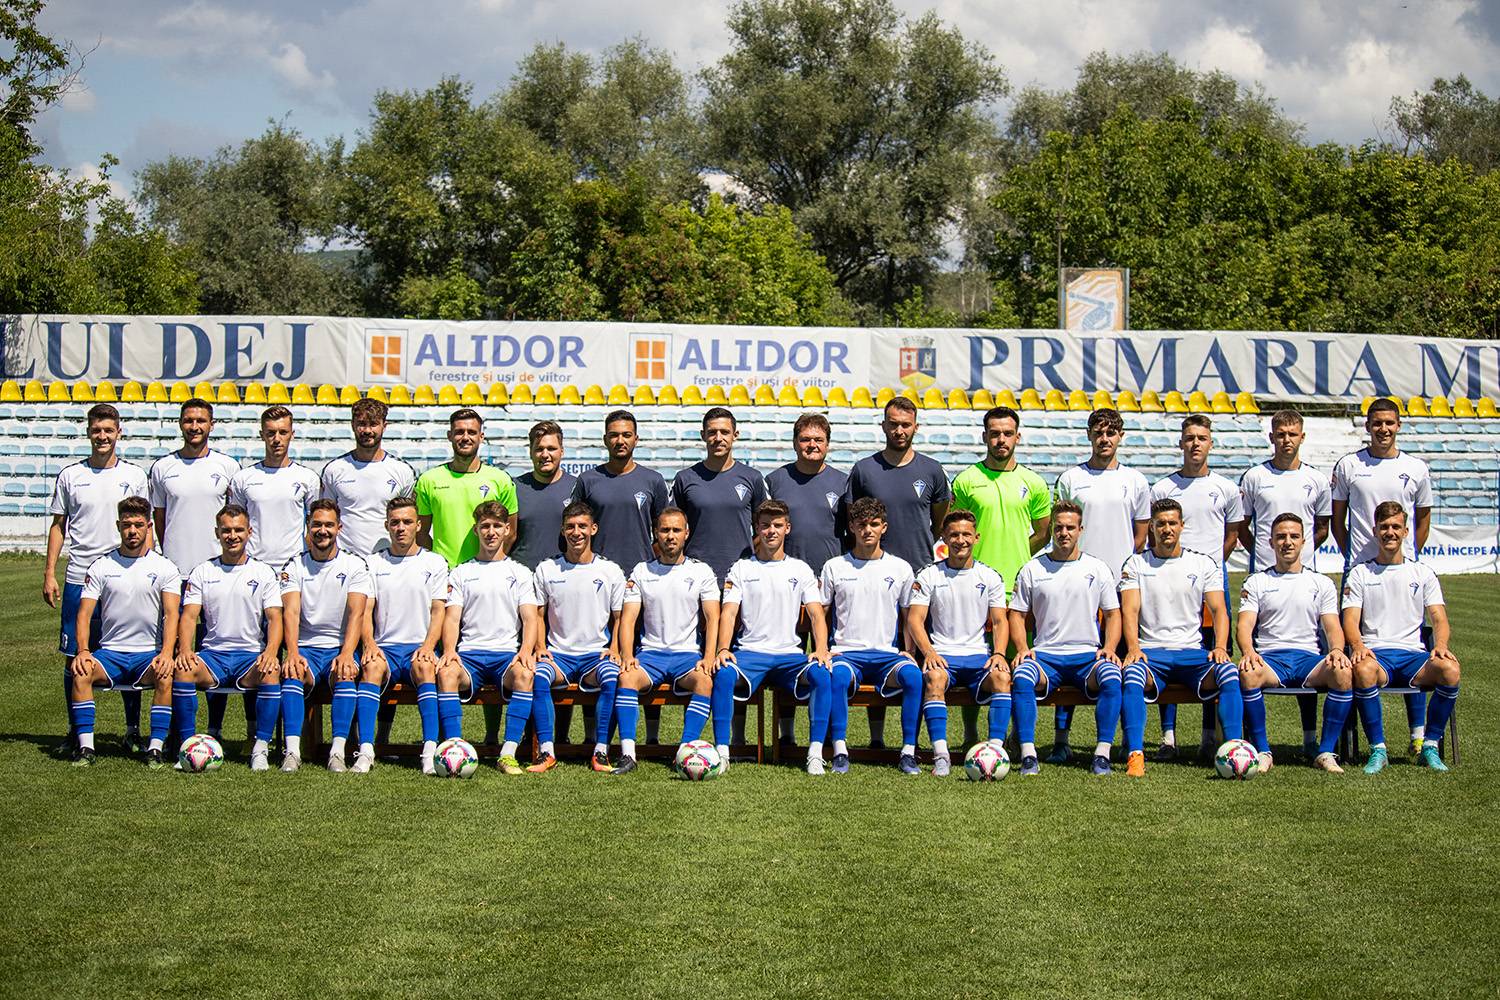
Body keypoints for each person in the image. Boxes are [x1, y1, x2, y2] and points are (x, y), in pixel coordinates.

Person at [1331, 397, 1434, 754]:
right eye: (1377, 423)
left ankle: (1418, 735)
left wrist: (1405, 555)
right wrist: (1354, 557)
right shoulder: (1349, 466)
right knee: (1355, 651)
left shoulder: (1416, 468)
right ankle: (1354, 739)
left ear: (1399, 425)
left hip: (1403, 572)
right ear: (1367, 426)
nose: (1383, 429)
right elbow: (1338, 521)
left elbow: (1422, 520)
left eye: (1390, 423)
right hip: (1360, 571)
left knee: (1411, 643)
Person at [845, 396, 950, 747]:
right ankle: (876, 739)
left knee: (916, 660)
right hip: (872, 574)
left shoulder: (932, 470)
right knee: (878, 651)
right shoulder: (864, 469)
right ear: (883, 426)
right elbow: (853, 518)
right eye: (893, 424)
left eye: (906, 424)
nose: (899, 430)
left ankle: (913, 741)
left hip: (919, 574)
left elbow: (938, 521)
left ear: (916, 427)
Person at [46, 402, 150, 751]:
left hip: (123, 577)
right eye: (96, 430)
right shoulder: (70, 476)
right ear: (88, 432)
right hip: (80, 577)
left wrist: (147, 568)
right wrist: (49, 572)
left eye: (108, 430)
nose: (102, 436)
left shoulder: (134, 475)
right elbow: (58, 526)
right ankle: (75, 731)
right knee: (75, 654)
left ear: (119, 433)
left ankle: (132, 730)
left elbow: (145, 526)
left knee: (131, 649)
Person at [1118, 498, 1243, 774]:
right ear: (1151, 527)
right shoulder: (1136, 563)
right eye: (1161, 524)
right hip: (1152, 654)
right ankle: (1135, 754)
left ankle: (1235, 751)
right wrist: (1134, 648)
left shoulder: (1202, 563)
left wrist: (1221, 646)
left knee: (1228, 672)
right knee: (1132, 675)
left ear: (1182, 525)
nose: (1167, 529)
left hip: (1192, 653)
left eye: (1172, 523)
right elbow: (1130, 610)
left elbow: (1219, 610)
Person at [1149, 414, 1244, 760]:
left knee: (1214, 654)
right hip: (1170, 582)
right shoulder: (1163, 488)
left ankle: (1209, 737)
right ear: (1180, 443)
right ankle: (1168, 737)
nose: (1195, 444)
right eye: (1189, 438)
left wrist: (1208, 568)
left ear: (1211, 443)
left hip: (1210, 582)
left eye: (1201, 438)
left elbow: (1232, 535)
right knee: (1167, 649)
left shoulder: (1226, 488)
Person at [1237, 408, 1332, 756]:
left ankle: (1310, 738)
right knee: (1261, 652)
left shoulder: (1316, 479)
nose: (1286, 440)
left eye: (1293, 434)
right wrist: (1266, 554)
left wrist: (1298, 555)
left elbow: (1322, 527)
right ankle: (1257, 743)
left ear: (1302, 437)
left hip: (1304, 579)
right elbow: (1242, 526)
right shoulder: (1255, 477)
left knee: (1309, 649)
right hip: (1265, 579)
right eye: (1281, 434)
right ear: (1272, 437)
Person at [570, 409, 669, 742]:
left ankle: (651, 737)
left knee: (644, 659)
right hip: (598, 584)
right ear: (605, 440)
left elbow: (662, 531)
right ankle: (592, 737)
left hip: (641, 582)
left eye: (626, 434)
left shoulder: (653, 481)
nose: (620, 440)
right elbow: (576, 524)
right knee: (600, 659)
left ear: (636, 439)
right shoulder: (588, 481)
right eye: (614, 435)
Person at [1342, 501, 1460, 775]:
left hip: (1413, 657)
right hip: (1377, 656)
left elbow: (1439, 619)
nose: (1390, 532)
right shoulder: (1360, 573)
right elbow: (1349, 620)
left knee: (1450, 670)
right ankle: (1378, 750)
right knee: (1363, 670)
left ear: (1406, 532)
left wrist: (1441, 646)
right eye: (1384, 527)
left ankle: (1429, 746)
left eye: (1396, 527)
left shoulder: (1422, 573)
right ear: (1374, 531)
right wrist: (1357, 645)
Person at [713, 500, 831, 775]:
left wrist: (822, 649)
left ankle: (815, 754)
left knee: (822, 673)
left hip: (789, 656)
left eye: (777, 525)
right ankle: (722, 753)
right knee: (724, 673)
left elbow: (816, 614)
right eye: (765, 525)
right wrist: (722, 649)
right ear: (757, 528)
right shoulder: (742, 568)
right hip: (750, 654)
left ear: (787, 528)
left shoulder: (800, 569)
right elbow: (729, 613)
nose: (771, 531)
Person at [149, 397, 242, 742]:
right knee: (177, 652)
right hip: (176, 574)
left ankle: (214, 727)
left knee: (216, 650)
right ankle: (176, 731)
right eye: (189, 420)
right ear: (180, 424)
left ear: (211, 425)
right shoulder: (163, 468)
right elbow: (160, 520)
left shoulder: (228, 466)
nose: (195, 426)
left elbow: (233, 519)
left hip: (216, 573)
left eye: (201, 420)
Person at [1006, 501, 1123, 777]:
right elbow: (1017, 614)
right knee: (1022, 677)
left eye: (1070, 527)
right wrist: (1022, 648)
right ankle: (1028, 755)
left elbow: (1113, 614)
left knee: (1112, 677)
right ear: (1052, 531)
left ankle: (1102, 755)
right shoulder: (1033, 569)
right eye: (1058, 527)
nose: (1064, 533)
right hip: (1045, 656)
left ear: (1081, 529)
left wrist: (1109, 647)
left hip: (1087, 656)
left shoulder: (1097, 568)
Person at [64, 497, 180, 767]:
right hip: (110, 655)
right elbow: (84, 614)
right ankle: (86, 748)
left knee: (166, 673)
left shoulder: (165, 567)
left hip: (147, 655)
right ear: (118, 526)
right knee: (80, 670)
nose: (132, 531)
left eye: (138, 525)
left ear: (149, 526)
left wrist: (166, 653)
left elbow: (172, 614)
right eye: (127, 525)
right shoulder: (101, 566)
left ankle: (155, 748)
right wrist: (83, 651)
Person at [170, 504, 284, 770]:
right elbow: (189, 616)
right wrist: (185, 650)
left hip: (250, 657)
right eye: (226, 531)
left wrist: (270, 652)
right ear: (217, 533)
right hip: (213, 657)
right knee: (183, 669)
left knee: (271, 671)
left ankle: (260, 748)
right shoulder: (203, 571)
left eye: (238, 530)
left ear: (249, 532)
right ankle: (187, 748)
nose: (232, 536)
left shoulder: (263, 573)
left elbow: (275, 618)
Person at [1236, 513, 1351, 775]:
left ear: (1303, 541)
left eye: (1294, 536)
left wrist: (1336, 650)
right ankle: (1263, 752)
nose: (1287, 542)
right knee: (1248, 672)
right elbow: (1244, 625)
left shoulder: (1321, 583)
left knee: (1343, 672)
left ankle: (1325, 752)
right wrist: (1248, 651)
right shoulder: (1257, 581)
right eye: (1281, 537)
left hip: (1308, 659)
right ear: (1270, 542)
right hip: (1271, 659)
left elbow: (1333, 626)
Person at [435, 501, 540, 776]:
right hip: (470, 655)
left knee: (526, 674)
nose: (490, 532)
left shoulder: (520, 572)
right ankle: (454, 749)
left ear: (507, 530)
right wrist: (449, 650)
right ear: (476, 530)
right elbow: (452, 618)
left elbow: (530, 619)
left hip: (506, 656)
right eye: (484, 526)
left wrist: (526, 651)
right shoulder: (461, 572)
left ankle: (508, 754)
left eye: (496, 526)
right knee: (446, 673)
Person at [614, 508, 721, 775]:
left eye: (676, 530)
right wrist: (627, 655)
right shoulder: (642, 571)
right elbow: (628, 619)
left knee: (705, 681)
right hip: (650, 655)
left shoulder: (701, 571)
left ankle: (684, 753)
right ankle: (628, 754)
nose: (670, 536)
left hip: (687, 655)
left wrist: (709, 657)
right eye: (664, 530)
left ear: (686, 533)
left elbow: (713, 617)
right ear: (656, 533)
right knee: (626, 677)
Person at [764, 411, 848, 747]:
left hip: (830, 585)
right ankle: (787, 733)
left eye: (818, 440)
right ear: (794, 442)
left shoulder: (843, 482)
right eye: (805, 439)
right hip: (787, 583)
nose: (812, 445)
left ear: (828, 444)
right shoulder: (775, 481)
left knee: (829, 659)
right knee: (792, 656)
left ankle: (829, 735)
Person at [905, 511, 1010, 777]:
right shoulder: (929, 574)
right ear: (943, 538)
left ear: (976, 537)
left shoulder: (990, 576)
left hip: (978, 656)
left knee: (1002, 677)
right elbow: (915, 619)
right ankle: (942, 756)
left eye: (966, 534)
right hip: (943, 655)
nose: (960, 540)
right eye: (954, 535)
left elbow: (1000, 621)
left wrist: (999, 653)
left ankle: (995, 753)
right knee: (934, 678)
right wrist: (929, 652)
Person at [822, 497, 922, 774]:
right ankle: (840, 751)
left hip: (887, 655)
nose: (868, 530)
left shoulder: (900, 568)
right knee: (837, 677)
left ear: (884, 527)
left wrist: (910, 651)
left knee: (914, 677)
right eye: (862, 524)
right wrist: (822, 647)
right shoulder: (835, 566)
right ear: (851, 527)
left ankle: (908, 752)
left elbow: (908, 615)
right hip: (846, 653)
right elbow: (822, 612)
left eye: (874, 524)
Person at [352, 496, 449, 775]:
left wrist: (428, 646)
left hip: (418, 646)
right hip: (385, 648)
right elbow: (366, 611)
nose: (401, 528)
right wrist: (369, 644)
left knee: (425, 666)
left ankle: (429, 752)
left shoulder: (434, 562)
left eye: (407, 522)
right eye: (395, 522)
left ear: (419, 525)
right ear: (386, 526)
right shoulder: (372, 563)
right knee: (371, 666)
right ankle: (366, 750)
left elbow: (438, 611)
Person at [531, 501, 627, 774]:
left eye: (582, 526)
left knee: (612, 677)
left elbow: (619, 618)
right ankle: (547, 752)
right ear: (562, 531)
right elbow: (537, 614)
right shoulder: (547, 569)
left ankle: (601, 751)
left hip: (596, 655)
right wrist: (540, 646)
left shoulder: (610, 571)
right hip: (558, 655)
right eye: (570, 527)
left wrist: (615, 648)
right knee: (538, 677)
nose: (576, 532)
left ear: (593, 529)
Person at [277, 499, 372, 773]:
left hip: (339, 646)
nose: (322, 530)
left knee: (345, 672)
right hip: (305, 647)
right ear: (308, 526)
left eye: (329, 525)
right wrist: (293, 653)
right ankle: (292, 752)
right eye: (316, 524)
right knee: (293, 671)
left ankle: (337, 753)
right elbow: (291, 612)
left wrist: (347, 653)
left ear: (339, 528)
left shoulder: (355, 564)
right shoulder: (294, 565)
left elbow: (357, 613)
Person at [415, 408, 517, 568]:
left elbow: (510, 534)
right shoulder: (428, 480)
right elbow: (420, 533)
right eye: (459, 432)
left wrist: (491, 565)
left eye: (472, 432)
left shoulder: (501, 480)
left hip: (485, 572)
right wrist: (437, 566)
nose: (465, 437)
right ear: (449, 435)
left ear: (481, 437)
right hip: (445, 575)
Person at [320, 397, 418, 557]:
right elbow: (325, 517)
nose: (367, 430)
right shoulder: (334, 470)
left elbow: (408, 519)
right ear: (352, 425)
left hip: (388, 561)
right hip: (346, 561)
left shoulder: (402, 471)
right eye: (361, 424)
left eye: (373, 424)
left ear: (384, 426)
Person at [227, 405, 321, 569]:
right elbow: (235, 524)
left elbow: (314, 524)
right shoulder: (243, 479)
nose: (277, 439)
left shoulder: (308, 478)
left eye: (283, 432)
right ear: (262, 435)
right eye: (271, 433)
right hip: (253, 566)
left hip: (295, 567)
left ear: (292, 435)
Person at [510, 420, 577, 571]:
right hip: (523, 577)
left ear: (562, 451)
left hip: (564, 576)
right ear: (530, 452)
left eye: (551, 448)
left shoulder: (577, 488)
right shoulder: (514, 487)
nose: (545, 455)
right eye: (539, 449)